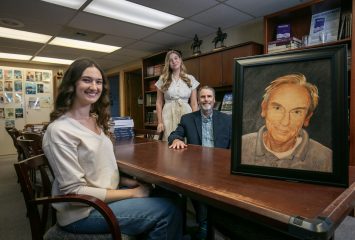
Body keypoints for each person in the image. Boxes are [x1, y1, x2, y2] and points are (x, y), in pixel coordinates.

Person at [42, 58, 183, 239]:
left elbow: (99, 169)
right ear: (71, 84)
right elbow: (74, 191)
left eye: (98, 82)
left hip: (103, 198)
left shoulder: (94, 120)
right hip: (84, 212)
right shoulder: (60, 130)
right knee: (168, 210)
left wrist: (127, 182)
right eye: (87, 80)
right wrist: (133, 193)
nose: (94, 86)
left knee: (172, 197)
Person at [168, 86, 232, 240]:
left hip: (220, 167)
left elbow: (234, 143)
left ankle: (213, 224)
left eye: (209, 96)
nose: (206, 100)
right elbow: (174, 135)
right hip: (197, 167)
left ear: (214, 100)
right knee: (199, 188)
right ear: (198, 100)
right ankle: (204, 223)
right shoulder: (188, 119)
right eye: (203, 97)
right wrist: (176, 139)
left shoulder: (227, 119)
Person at [242, 73, 332, 172]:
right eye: (277, 108)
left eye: (296, 112)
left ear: (307, 118)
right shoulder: (242, 145)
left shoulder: (326, 158)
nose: (285, 122)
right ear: (264, 109)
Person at [156, 50, 199, 141]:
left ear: (180, 60)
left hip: (186, 114)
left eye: (176, 58)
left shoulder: (190, 79)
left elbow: (194, 103)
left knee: (187, 140)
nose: (174, 61)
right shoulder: (162, 79)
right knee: (168, 141)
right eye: (170, 60)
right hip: (168, 115)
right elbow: (159, 102)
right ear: (168, 63)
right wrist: (160, 122)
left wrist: (196, 121)